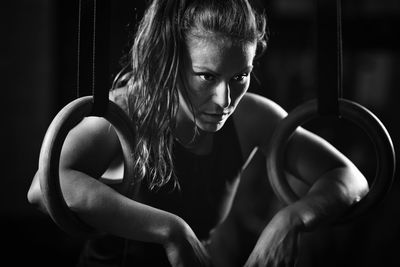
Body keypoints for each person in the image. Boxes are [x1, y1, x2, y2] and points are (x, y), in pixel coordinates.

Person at [27, 0, 369, 266]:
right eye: (206, 76)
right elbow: (43, 189)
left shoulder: (251, 116)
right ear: (171, 61)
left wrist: (292, 219)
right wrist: (170, 231)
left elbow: (350, 177)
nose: (224, 100)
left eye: (239, 77)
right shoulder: (125, 113)